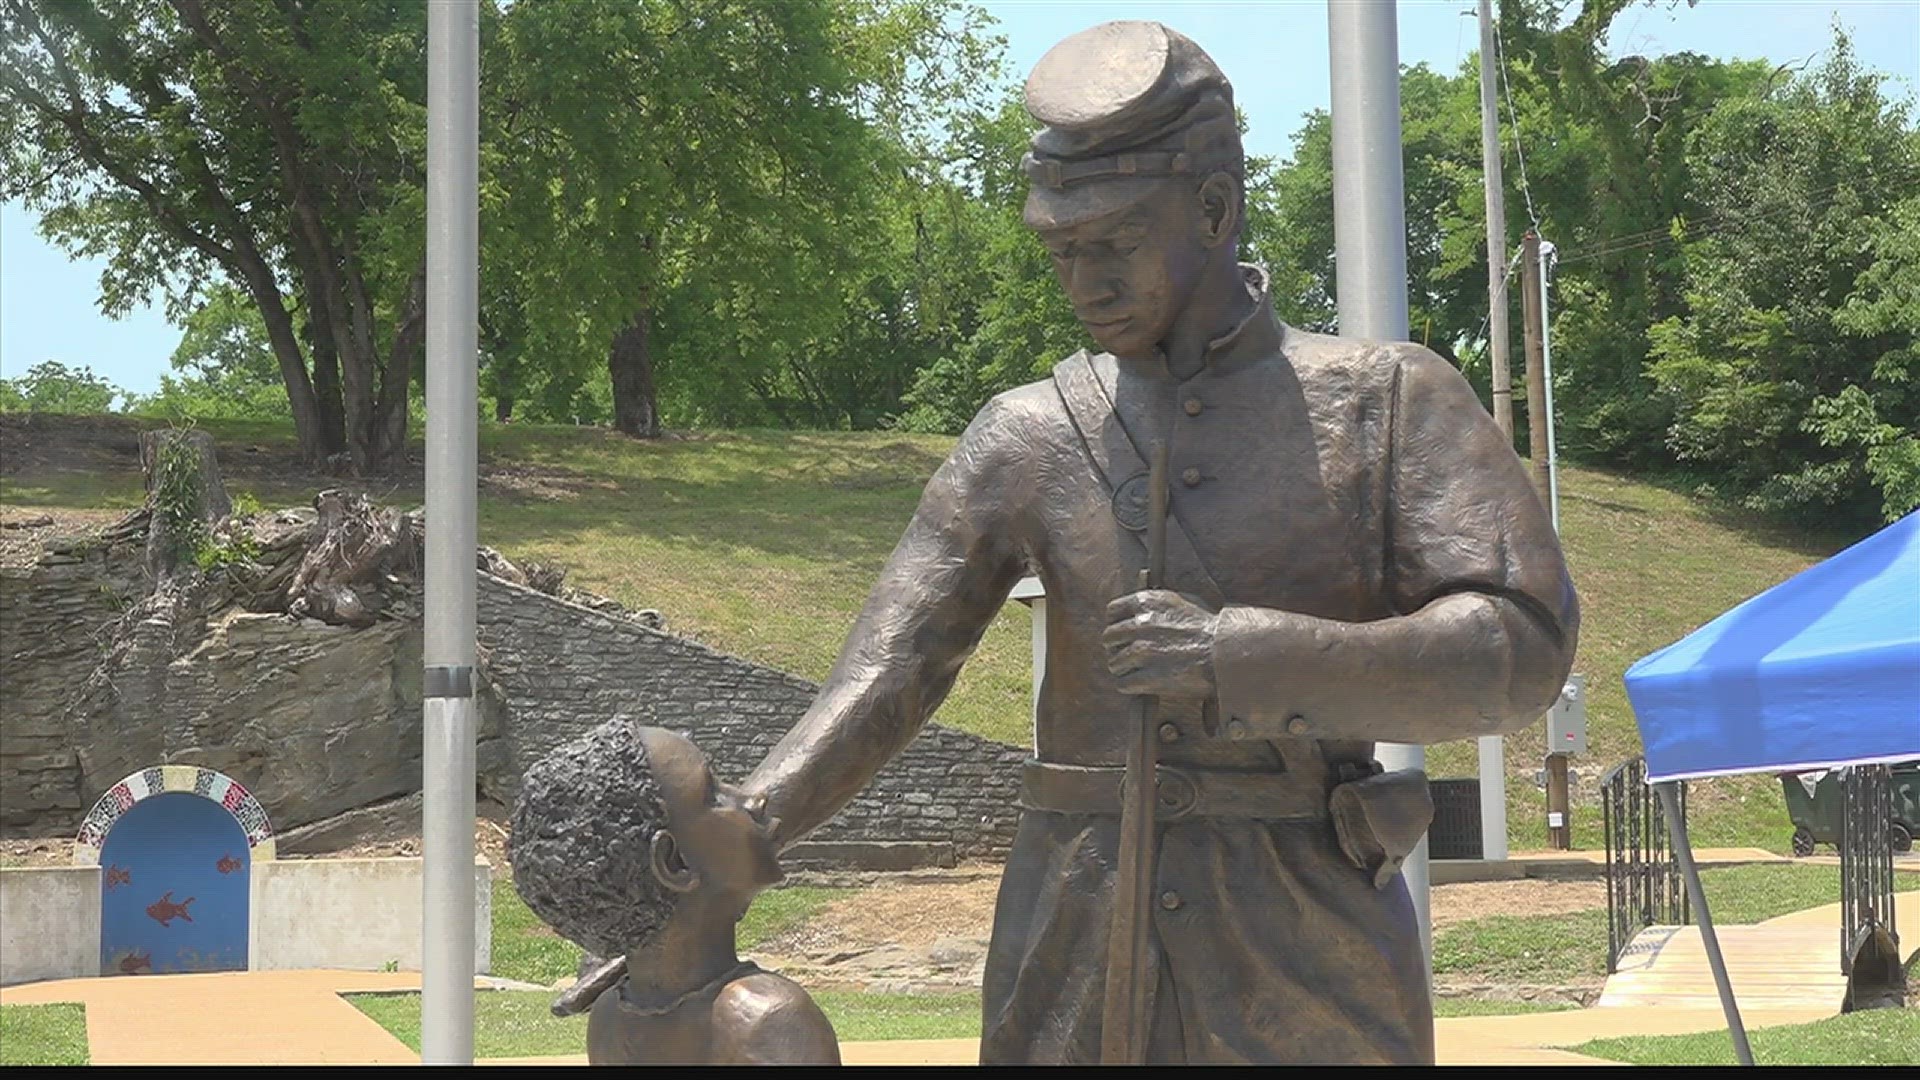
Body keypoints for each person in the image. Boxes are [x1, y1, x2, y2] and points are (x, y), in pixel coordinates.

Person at [739, 20, 1579, 1065]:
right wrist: (747, 828)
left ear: (1216, 208)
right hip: (1077, 941)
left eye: (1115, 243)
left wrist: (1241, 655)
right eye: (1060, 250)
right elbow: (892, 669)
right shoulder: (1027, 434)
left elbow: (1522, 650)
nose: (1082, 280)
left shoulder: (1386, 401)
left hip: (1306, 938)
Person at [508, 719, 840, 1065]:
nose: (755, 799)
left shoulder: (608, 1019)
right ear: (674, 863)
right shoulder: (770, 1018)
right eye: (714, 794)